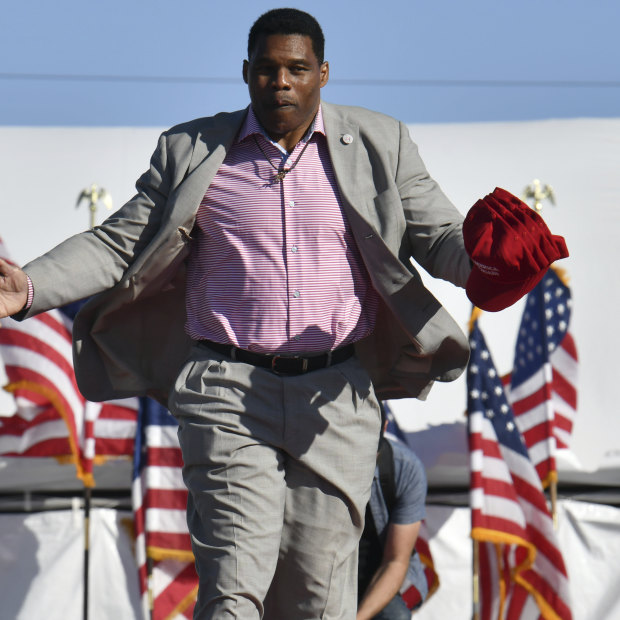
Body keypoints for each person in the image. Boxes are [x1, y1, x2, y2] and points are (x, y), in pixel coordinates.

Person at [0, 8, 473, 619]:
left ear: (322, 74)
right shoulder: (192, 150)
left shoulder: (382, 143)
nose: (282, 82)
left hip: (336, 397)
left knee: (323, 601)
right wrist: (30, 286)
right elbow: (121, 243)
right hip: (226, 388)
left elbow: (441, 237)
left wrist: (489, 262)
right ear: (246, 74)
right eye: (268, 69)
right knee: (233, 589)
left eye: (297, 69)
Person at [357, 415, 428, 620]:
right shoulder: (315, 462)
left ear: (384, 425)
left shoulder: (406, 467)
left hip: (383, 574)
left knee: (395, 616)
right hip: (329, 574)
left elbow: (396, 561)